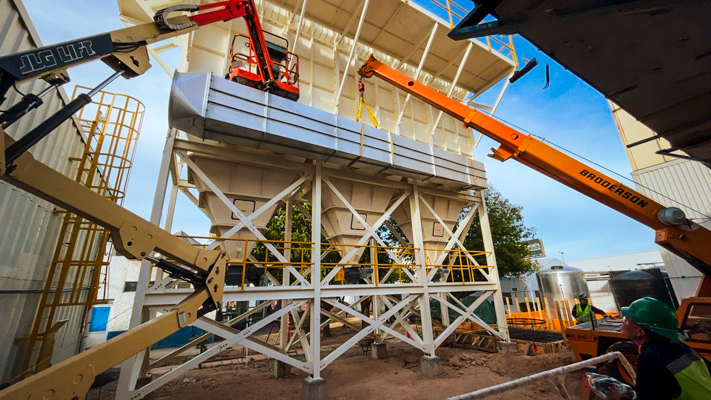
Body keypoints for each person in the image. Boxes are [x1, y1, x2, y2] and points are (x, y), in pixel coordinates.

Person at [621, 297, 711, 400]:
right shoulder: (681, 347)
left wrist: (620, 398)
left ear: (640, 331)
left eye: (626, 320)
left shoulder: (650, 357)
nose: (622, 322)